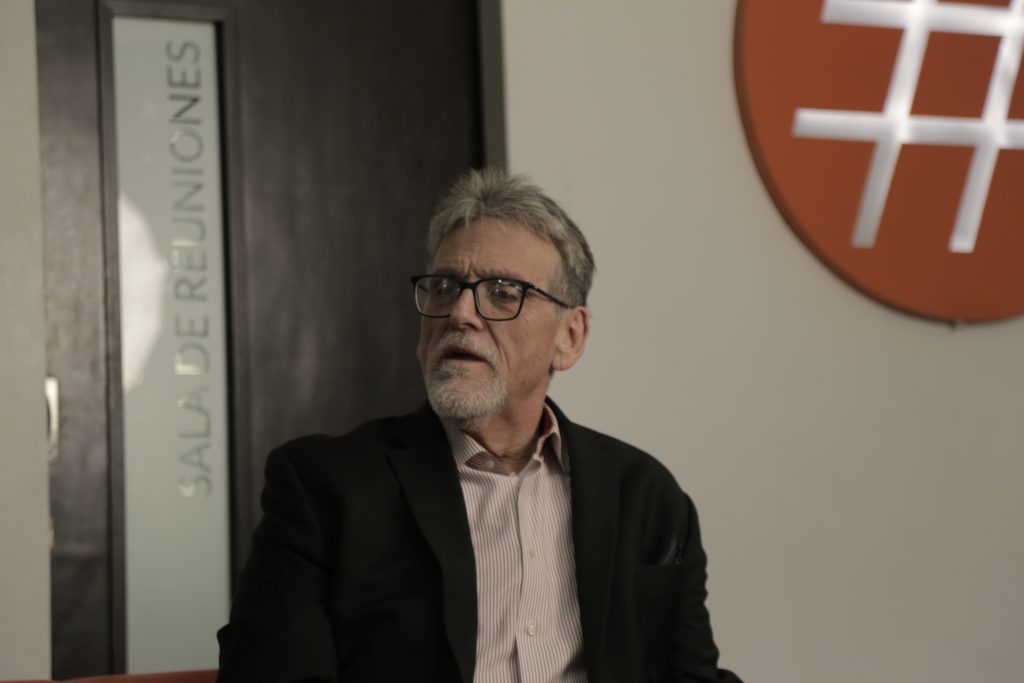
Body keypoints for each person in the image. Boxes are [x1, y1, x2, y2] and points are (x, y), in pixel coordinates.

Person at [217, 169, 742, 683]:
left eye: (503, 293)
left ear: (570, 336)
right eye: (445, 287)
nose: (460, 314)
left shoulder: (646, 495)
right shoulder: (323, 486)